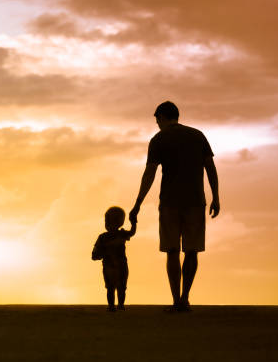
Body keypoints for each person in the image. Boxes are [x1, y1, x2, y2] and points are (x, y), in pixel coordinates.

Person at [129, 101, 220, 312]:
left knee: (172, 251)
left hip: (170, 202)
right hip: (196, 201)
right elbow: (211, 168)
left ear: (161, 117)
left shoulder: (159, 139)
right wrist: (216, 197)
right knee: (192, 251)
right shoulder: (198, 136)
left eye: (157, 120)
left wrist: (137, 204)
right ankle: (185, 298)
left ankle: (176, 299)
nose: (157, 124)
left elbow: (149, 173)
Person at [92, 206, 137, 312]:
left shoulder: (117, 235)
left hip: (118, 267)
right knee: (112, 288)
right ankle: (113, 306)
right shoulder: (105, 237)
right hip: (111, 267)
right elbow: (95, 254)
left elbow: (132, 233)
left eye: (108, 220)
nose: (107, 223)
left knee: (118, 288)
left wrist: (134, 223)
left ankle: (118, 305)